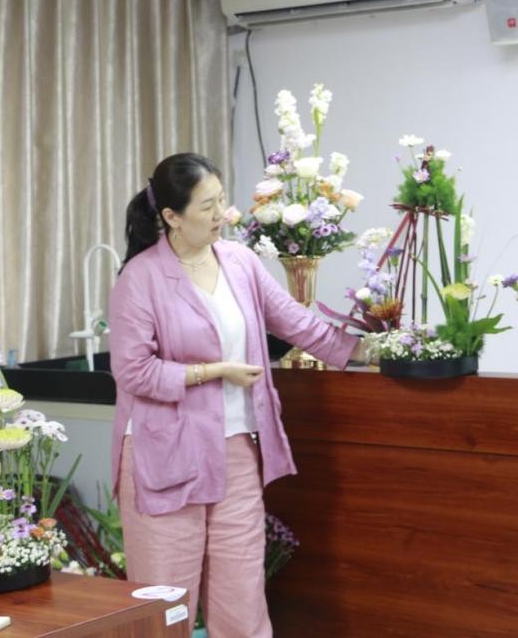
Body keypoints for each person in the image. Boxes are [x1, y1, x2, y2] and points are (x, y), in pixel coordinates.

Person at [108, 152, 366, 638]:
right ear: (171, 216)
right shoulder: (140, 278)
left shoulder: (240, 262)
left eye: (222, 201)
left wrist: (365, 350)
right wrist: (213, 372)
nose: (221, 215)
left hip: (236, 453)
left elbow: (295, 322)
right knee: (166, 608)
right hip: (164, 456)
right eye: (207, 206)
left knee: (243, 604)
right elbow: (133, 371)